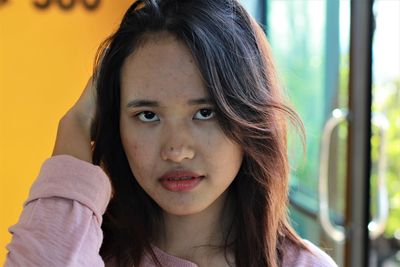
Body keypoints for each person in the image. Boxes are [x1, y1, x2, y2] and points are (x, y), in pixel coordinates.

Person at [5, 0, 338, 266]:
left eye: (205, 113)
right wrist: (74, 125)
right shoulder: (83, 250)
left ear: (249, 116)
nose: (177, 150)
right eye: (148, 115)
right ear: (115, 124)